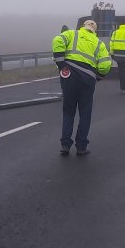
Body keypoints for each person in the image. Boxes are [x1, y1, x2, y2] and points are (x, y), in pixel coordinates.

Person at [53, 20, 112, 156]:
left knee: (68, 112)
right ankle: (81, 147)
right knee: (85, 114)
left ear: (82, 27)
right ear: (95, 31)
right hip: (88, 79)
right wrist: (97, 77)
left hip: (69, 76)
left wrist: (61, 65)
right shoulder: (99, 43)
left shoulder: (71, 34)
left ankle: (65, 145)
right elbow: (105, 65)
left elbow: (57, 41)